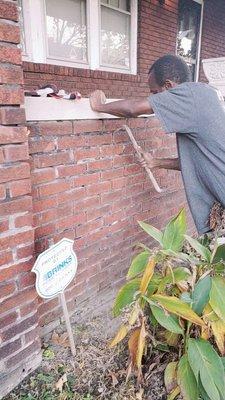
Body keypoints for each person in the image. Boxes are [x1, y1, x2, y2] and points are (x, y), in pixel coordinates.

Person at [89, 54, 225, 235]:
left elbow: (133, 108)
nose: (152, 97)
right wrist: (156, 162)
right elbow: (199, 161)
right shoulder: (205, 94)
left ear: (169, 86)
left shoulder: (189, 96)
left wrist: (99, 106)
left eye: (154, 92)